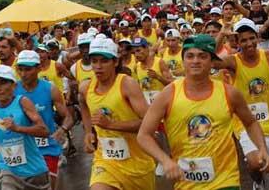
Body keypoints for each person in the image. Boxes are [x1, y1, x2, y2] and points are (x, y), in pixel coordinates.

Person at [137, 34, 269, 189]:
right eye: (190, 56)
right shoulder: (168, 94)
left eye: (202, 56)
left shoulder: (229, 93)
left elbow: (251, 122)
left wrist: (262, 148)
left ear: (212, 62)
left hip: (226, 180)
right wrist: (165, 160)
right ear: (183, 60)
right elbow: (143, 135)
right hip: (187, 182)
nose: (195, 61)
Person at [215, 14, 269, 190]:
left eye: (251, 38)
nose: (248, 43)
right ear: (237, 42)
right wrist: (221, 36)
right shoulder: (233, 61)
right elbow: (211, 61)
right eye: (243, 40)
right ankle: (257, 181)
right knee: (255, 163)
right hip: (246, 124)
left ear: (257, 37)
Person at [79, 37, 156, 190]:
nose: (98, 67)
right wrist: (88, 132)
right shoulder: (86, 87)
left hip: (137, 164)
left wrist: (111, 125)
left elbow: (149, 124)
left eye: (104, 61)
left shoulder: (127, 85)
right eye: (94, 61)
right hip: (106, 162)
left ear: (115, 62)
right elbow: (83, 104)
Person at [15, 50, 74, 189]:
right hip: (23, 149)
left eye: (28, 69)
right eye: (20, 69)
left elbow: (68, 117)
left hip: (47, 147)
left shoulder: (50, 89)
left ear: (39, 68)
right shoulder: (13, 89)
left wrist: (62, 130)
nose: (23, 74)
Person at [0, 64, 51, 189]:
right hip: (6, 168)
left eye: (3, 83)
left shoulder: (22, 102)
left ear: (14, 86)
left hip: (33, 171)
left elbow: (44, 130)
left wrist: (18, 128)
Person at [132, 37, 172, 104]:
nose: (136, 55)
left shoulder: (159, 62)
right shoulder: (136, 67)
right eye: (133, 52)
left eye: (138, 50)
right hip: (147, 105)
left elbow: (171, 84)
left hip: (162, 103)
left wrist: (158, 77)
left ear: (147, 48)